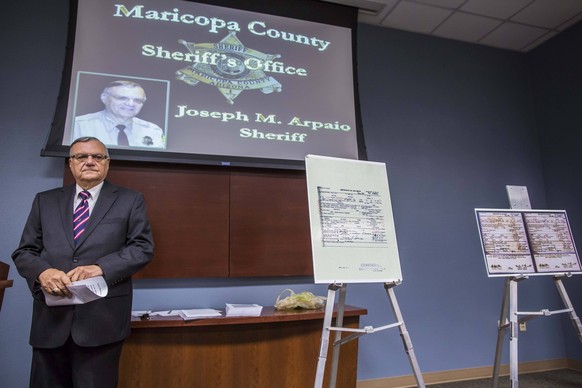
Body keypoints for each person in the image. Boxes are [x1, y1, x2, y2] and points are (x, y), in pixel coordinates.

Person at [12, 136, 154, 387]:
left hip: (101, 322)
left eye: (97, 157)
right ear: (71, 164)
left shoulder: (130, 200)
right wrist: (43, 273)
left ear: (107, 163)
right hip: (49, 323)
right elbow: (24, 252)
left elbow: (142, 248)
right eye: (81, 157)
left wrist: (101, 268)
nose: (89, 161)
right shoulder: (44, 200)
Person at [73, 80, 166, 148]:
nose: (130, 104)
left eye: (137, 100)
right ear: (104, 98)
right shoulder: (78, 125)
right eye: (122, 98)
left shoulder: (153, 131)